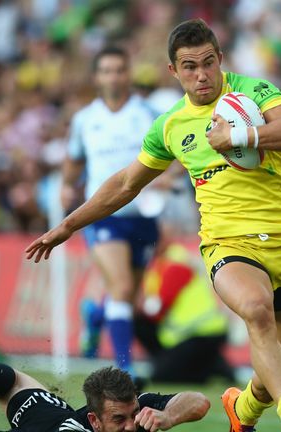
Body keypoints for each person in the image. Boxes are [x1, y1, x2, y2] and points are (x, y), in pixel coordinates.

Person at [27, 18, 281, 432]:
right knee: (257, 312)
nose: (200, 74)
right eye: (189, 66)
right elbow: (126, 183)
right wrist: (68, 225)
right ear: (173, 70)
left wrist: (242, 137)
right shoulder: (169, 125)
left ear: (220, 59)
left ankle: (242, 412)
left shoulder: (253, 92)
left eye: (207, 63)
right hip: (227, 243)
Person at [0, 321, 210, 432]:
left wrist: (167, 416)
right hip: (37, 424)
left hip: (50, 408)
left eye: (132, 414)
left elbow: (200, 402)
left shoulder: (140, 413)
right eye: (118, 420)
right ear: (95, 421)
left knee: (15, 380)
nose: (130, 425)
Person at [61, 46, 160, 377]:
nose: (114, 76)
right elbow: (74, 160)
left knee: (128, 297)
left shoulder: (148, 113)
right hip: (104, 214)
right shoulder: (85, 120)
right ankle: (124, 369)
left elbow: (169, 156)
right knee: (120, 286)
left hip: (143, 214)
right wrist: (65, 187)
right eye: (107, 70)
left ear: (128, 73)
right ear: (96, 77)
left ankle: (96, 316)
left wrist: (168, 179)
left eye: (119, 69)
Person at [133, 240, 235, 384]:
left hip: (199, 333)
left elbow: (160, 306)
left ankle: (207, 368)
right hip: (204, 331)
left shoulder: (175, 264)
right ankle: (209, 364)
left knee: (161, 375)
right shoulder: (163, 264)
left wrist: (142, 306)